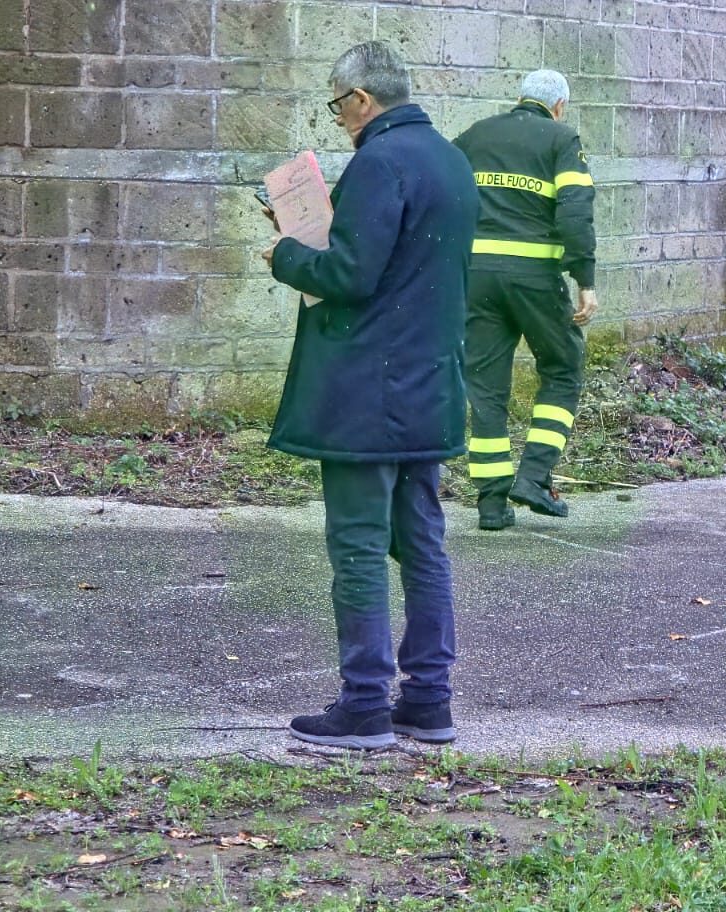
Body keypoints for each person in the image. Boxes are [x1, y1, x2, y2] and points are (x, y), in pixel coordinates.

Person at [261, 41, 478, 749]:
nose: (338, 119)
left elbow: (351, 276)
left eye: (337, 105)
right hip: (429, 386)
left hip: (366, 395)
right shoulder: (448, 158)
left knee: (357, 545)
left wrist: (286, 252)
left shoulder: (378, 162)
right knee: (422, 543)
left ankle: (362, 705)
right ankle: (429, 701)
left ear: (360, 100)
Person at [453, 70, 598, 530]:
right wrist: (585, 280)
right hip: (535, 279)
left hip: (476, 279)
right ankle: (534, 476)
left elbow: (444, 193)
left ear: (520, 98)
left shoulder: (475, 135)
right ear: (558, 107)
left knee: (485, 386)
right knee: (563, 366)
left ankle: (492, 505)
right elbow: (575, 211)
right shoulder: (561, 138)